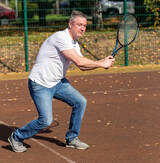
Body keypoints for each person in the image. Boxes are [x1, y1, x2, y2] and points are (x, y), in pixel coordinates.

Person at [8, 10, 115, 152]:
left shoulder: (74, 43)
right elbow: (79, 62)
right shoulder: (60, 37)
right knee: (45, 121)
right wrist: (101, 64)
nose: (82, 28)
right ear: (70, 24)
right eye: (79, 24)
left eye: (84, 26)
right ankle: (17, 137)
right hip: (40, 84)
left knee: (80, 102)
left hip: (57, 82)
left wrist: (102, 62)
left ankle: (72, 138)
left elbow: (83, 66)